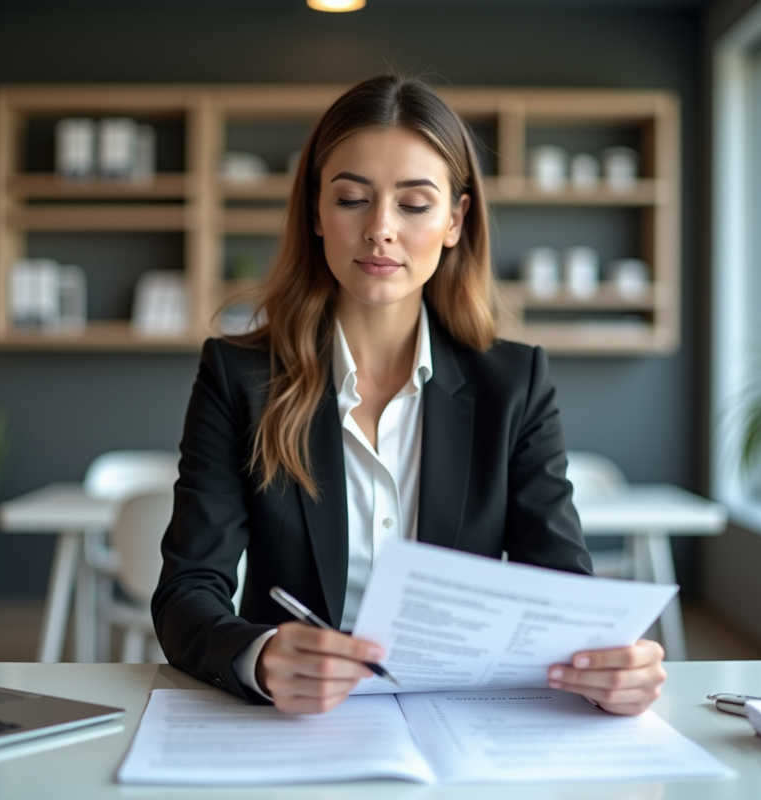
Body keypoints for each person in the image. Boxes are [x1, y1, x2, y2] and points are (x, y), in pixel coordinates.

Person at [152, 74, 666, 717]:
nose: (380, 230)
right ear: (315, 211)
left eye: (414, 204)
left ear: (456, 218)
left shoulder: (514, 384)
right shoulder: (239, 376)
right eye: (351, 199)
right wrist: (259, 656)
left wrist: (611, 666)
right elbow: (187, 594)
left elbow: (560, 590)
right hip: (290, 730)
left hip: (461, 723)